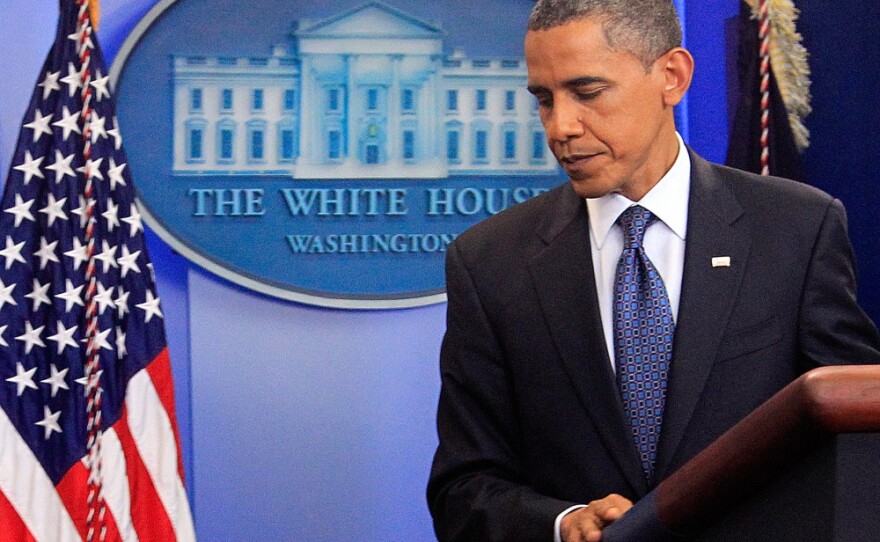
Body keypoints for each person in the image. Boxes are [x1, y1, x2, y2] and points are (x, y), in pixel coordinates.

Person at [426, 1, 880, 541]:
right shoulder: (489, 263)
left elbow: (857, 439)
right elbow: (463, 489)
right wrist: (563, 523)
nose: (560, 126)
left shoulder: (796, 229)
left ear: (672, 76)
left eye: (587, 93)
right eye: (544, 99)